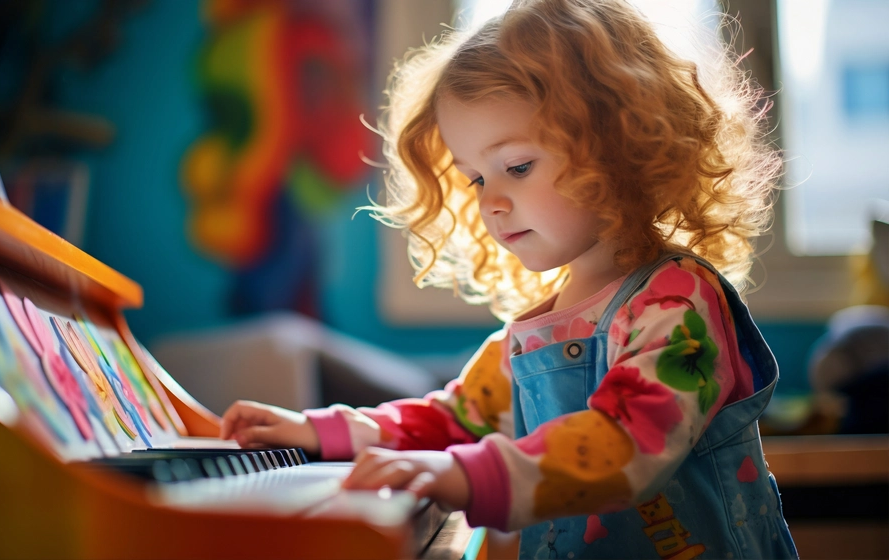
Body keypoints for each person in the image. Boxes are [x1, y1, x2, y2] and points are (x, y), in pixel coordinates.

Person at [220, 0, 798, 557]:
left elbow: (628, 442)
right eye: (474, 178)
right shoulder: (538, 329)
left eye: (517, 167)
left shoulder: (677, 302)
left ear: (621, 144)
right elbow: (452, 419)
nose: (491, 202)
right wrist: (320, 433)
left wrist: (465, 474)